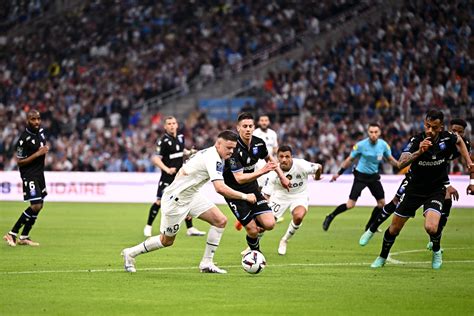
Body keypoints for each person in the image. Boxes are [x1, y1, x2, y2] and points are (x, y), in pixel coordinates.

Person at [121, 130, 257, 273]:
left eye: (233, 148)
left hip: (191, 196)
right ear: (218, 144)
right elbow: (220, 188)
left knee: (220, 220)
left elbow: (184, 171)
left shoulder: (211, 153)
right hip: (176, 201)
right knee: (166, 241)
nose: (231, 151)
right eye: (228, 148)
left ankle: (206, 263)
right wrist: (245, 196)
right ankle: (130, 253)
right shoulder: (212, 157)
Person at [370, 110, 473, 269]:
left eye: (434, 127)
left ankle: (437, 251)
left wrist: (468, 161)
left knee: (431, 227)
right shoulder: (416, 140)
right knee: (394, 229)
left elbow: (459, 141)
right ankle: (382, 257)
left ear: (441, 127)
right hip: (414, 189)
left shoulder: (448, 137)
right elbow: (400, 164)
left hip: (436, 189)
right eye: (427, 126)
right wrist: (419, 152)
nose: (429, 130)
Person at [223, 112, 290, 255]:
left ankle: (251, 220)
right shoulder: (233, 149)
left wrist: (282, 177)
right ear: (238, 128)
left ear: (254, 127)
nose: (248, 129)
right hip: (234, 192)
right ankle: (256, 254)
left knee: (269, 224)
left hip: (251, 187)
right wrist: (262, 172)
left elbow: (269, 158)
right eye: (244, 126)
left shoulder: (258, 143)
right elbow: (239, 178)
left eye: (250, 126)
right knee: (252, 230)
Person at [322, 123, 399, 231]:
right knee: (350, 205)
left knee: (381, 204)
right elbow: (350, 159)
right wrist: (339, 173)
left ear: (380, 133)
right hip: (360, 177)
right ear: (368, 133)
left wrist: (401, 165)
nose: (373, 134)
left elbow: (390, 159)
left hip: (373, 177)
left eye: (376, 132)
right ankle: (330, 216)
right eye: (371, 132)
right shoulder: (361, 145)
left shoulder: (383, 145)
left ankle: (369, 227)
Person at [144, 116, 205, 237]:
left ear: (177, 125)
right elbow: (155, 159)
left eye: (173, 123)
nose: (172, 125)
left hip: (180, 176)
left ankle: (190, 229)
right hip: (167, 177)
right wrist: (167, 169)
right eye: (169, 124)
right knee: (159, 201)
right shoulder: (163, 141)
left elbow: (180, 151)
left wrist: (189, 152)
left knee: (186, 199)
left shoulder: (181, 138)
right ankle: (148, 226)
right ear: (165, 126)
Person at [261, 145, 322, 255]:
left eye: (287, 156)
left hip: (299, 195)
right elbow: (266, 196)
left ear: (291, 157)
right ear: (277, 158)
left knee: (298, 216)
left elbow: (318, 167)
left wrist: (317, 177)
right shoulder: (272, 173)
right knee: (264, 225)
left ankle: (284, 240)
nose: (284, 159)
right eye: (281, 157)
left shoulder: (301, 165)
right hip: (280, 197)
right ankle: (253, 246)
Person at [3, 110, 48, 247]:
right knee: (35, 205)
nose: (36, 122)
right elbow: (19, 162)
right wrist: (38, 154)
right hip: (29, 175)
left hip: (39, 174)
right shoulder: (23, 140)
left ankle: (24, 236)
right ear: (27, 120)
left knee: (39, 205)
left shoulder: (41, 132)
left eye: (38, 119)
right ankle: (12, 233)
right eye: (33, 119)